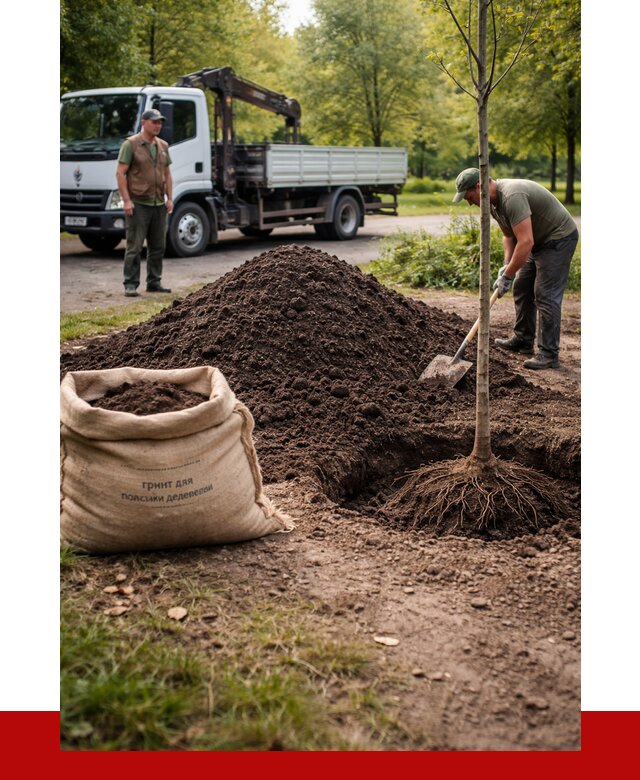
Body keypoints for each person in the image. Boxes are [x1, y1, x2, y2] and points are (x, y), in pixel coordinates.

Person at [452, 168, 579, 370]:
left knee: (545, 293)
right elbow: (509, 236)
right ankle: (523, 339)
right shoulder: (493, 204)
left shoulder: (512, 196)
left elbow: (525, 241)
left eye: (469, 197)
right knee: (522, 286)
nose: (469, 202)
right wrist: (507, 266)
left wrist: (509, 273)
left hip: (558, 238)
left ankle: (548, 354)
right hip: (535, 240)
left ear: (479, 186)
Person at [116, 108, 174, 297]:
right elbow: (120, 173)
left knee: (158, 246)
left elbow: (167, 174)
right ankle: (130, 284)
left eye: (160, 122)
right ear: (143, 122)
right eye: (154, 122)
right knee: (134, 246)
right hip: (138, 204)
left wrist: (170, 198)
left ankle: (154, 282)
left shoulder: (163, 145)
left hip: (159, 203)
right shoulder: (131, 144)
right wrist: (126, 200)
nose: (158, 125)